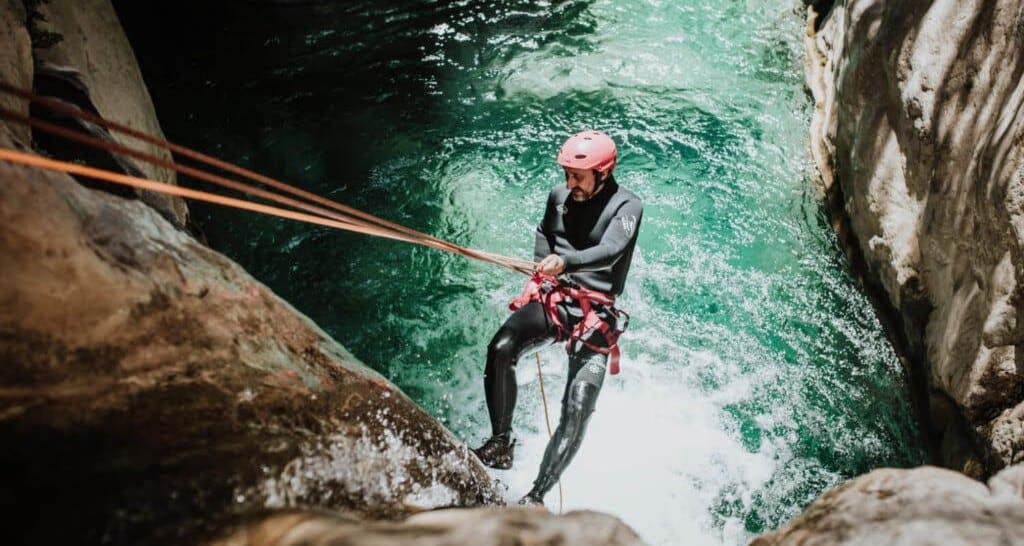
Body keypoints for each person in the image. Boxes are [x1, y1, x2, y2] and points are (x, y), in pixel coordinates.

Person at [472, 130, 643, 506]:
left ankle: (536, 495)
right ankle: (501, 443)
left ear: (604, 172)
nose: (570, 184)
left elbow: (611, 250)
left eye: (577, 176)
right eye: (566, 174)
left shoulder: (628, 206)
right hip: (554, 298)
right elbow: (545, 233)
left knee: (578, 405)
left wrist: (565, 263)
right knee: (501, 347)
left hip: (594, 312)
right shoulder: (559, 196)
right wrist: (541, 266)